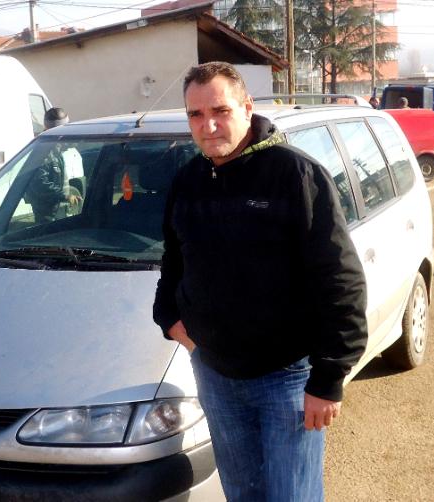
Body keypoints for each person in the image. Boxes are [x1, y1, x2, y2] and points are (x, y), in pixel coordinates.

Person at [153, 62, 368, 501]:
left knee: (291, 495)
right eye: (196, 114)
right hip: (215, 374)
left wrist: (328, 379)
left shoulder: (294, 175)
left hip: (286, 378)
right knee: (243, 494)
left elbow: (339, 278)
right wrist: (168, 317)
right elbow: (174, 259)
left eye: (221, 110)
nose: (209, 125)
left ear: (247, 108)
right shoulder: (188, 180)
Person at [25, 107, 81, 223]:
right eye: (66, 128)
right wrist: (64, 196)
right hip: (47, 211)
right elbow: (39, 182)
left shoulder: (55, 147)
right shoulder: (44, 151)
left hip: (56, 208)